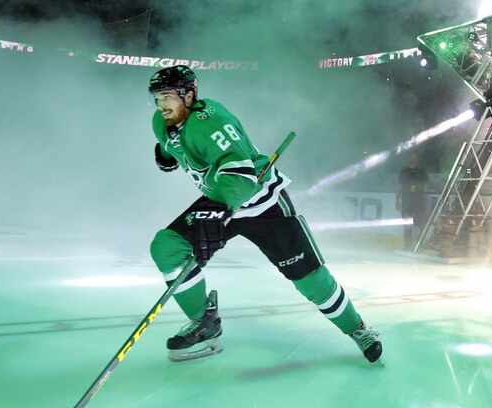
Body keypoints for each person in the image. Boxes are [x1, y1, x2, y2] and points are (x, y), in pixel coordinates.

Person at [147, 65, 381, 363]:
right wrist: (166, 155)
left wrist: (217, 211)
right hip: (220, 198)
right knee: (167, 247)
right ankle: (205, 323)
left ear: (189, 95)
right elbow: (173, 145)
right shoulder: (161, 121)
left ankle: (357, 328)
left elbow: (241, 173)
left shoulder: (211, 123)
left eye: (168, 96)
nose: (161, 104)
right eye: (156, 98)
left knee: (307, 276)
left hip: (260, 202)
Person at [396, 154, 428, 248]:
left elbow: (426, 185)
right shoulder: (404, 171)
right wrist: (397, 200)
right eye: (411, 158)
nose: (413, 159)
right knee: (407, 225)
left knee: (420, 224)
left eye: (415, 158)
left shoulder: (421, 171)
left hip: (418, 201)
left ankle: (420, 244)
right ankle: (407, 246)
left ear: (417, 160)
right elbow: (399, 186)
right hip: (406, 202)